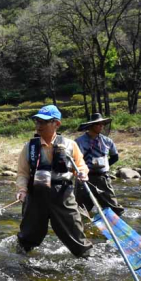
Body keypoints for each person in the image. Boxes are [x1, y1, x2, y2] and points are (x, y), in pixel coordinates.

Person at [15, 105, 93, 258]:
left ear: (57, 124)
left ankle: (86, 257)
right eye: (37, 121)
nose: (38, 126)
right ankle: (22, 260)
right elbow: (22, 173)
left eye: (43, 122)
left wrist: (83, 173)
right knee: (28, 236)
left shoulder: (71, 145)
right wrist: (22, 190)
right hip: (35, 196)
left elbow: (81, 166)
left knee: (75, 232)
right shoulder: (29, 147)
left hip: (63, 195)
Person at [75, 113, 125, 216]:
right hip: (85, 179)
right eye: (98, 124)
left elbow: (115, 157)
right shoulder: (79, 141)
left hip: (102, 179)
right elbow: (75, 159)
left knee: (114, 208)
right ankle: (85, 228)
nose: (101, 126)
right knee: (81, 209)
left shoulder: (107, 141)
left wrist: (105, 167)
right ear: (91, 126)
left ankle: (116, 227)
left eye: (102, 124)